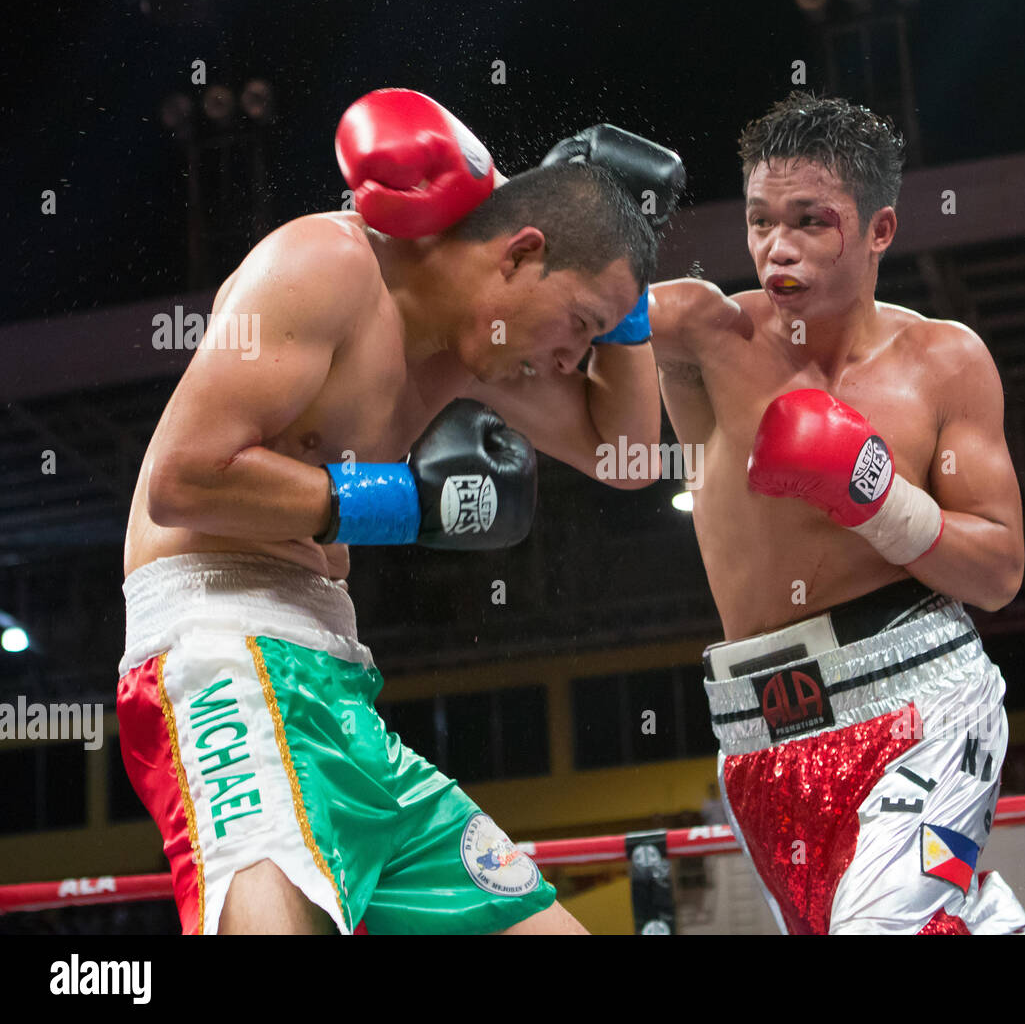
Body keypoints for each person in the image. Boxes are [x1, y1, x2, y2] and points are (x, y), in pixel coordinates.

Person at [116, 89, 681, 934]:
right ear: (521, 255)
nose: (573, 356)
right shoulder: (322, 264)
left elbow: (626, 457)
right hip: (221, 647)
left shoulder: (476, 350)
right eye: (581, 323)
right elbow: (182, 479)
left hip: (334, 676)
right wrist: (400, 504)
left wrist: (624, 283)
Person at [647, 92, 1025, 934]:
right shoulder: (707, 333)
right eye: (759, 221)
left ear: (880, 231)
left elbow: (1000, 570)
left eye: (811, 221)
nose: (776, 248)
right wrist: (580, 219)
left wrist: (876, 498)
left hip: (927, 702)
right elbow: (553, 322)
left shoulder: (945, 362)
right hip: (758, 738)